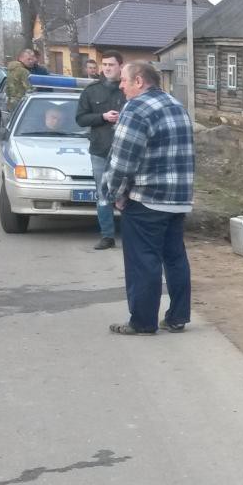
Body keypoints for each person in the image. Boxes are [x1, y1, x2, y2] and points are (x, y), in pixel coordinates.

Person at [105, 61, 193, 335]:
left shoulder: (136, 109)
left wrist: (112, 194)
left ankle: (143, 321)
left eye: (124, 80)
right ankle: (178, 317)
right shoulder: (175, 105)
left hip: (147, 198)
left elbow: (122, 161)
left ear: (139, 81)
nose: (120, 86)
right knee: (175, 258)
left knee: (143, 261)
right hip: (178, 198)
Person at [76, 51, 125, 250]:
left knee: (129, 193)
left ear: (120, 66)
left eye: (111, 64)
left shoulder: (128, 88)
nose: (107, 68)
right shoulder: (92, 91)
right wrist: (102, 117)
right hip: (100, 150)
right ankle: (107, 236)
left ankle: (131, 233)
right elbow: (80, 119)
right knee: (103, 193)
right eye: (104, 64)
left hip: (125, 151)